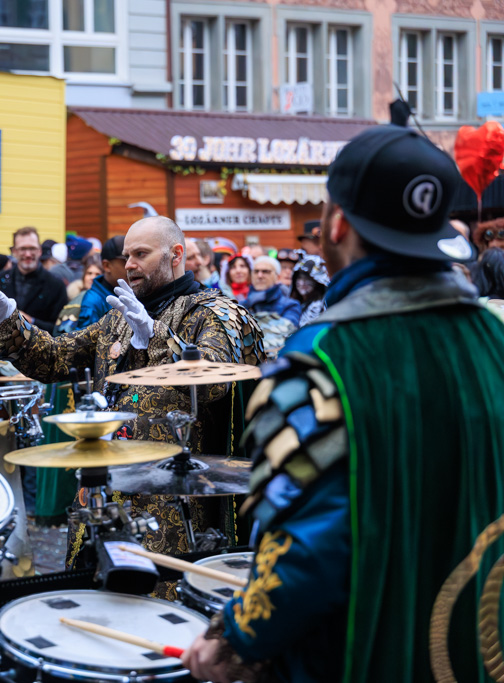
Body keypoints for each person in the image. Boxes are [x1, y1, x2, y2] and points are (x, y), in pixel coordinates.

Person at [182, 124, 503, 683]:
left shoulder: (321, 357)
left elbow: (308, 551)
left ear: (337, 224)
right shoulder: (494, 341)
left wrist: (235, 635)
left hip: (361, 656)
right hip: (474, 647)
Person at [0, 216, 265, 585]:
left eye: (141, 254)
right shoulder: (119, 317)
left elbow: (216, 382)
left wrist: (156, 335)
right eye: (126, 255)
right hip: (108, 492)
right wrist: (8, 316)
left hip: (176, 503)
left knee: (160, 605)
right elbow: (56, 357)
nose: (129, 264)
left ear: (176, 254)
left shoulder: (214, 314)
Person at [0, 227, 68, 333]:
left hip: (40, 348)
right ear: (14, 251)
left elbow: (60, 329)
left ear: (39, 251)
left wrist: (31, 321)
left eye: (32, 248)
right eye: (23, 249)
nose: (28, 254)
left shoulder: (56, 285)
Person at [244, 256, 301, 354]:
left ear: (278, 277)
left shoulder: (290, 306)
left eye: (266, 271)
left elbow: (285, 334)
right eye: (256, 271)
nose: (260, 275)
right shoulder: (241, 306)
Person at [75, 235, 126, 331]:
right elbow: (85, 343)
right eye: (125, 262)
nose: (130, 265)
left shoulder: (125, 291)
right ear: (106, 266)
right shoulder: (93, 301)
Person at [290, 253, 330, 327]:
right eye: (299, 278)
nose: (302, 283)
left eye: (307, 279)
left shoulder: (320, 306)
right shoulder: (297, 304)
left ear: (318, 281)